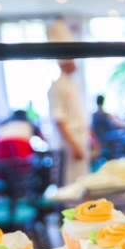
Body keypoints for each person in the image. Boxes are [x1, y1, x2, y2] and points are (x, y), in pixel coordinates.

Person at [48, 56, 89, 185]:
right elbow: (59, 119)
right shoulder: (57, 86)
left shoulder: (73, 84)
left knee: (82, 180)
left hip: (80, 138)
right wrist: (73, 145)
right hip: (69, 143)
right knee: (69, 183)